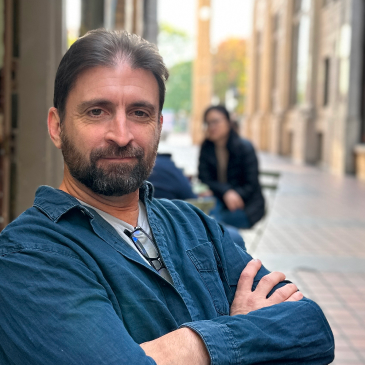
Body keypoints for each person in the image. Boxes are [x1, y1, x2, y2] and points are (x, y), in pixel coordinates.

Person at [0, 29, 334, 365]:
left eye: (139, 113)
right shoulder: (25, 255)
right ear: (57, 126)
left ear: (159, 125)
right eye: (97, 112)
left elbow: (313, 331)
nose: (121, 134)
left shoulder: (194, 225)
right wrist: (242, 330)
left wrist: (170, 351)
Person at [148, 153, 246, 250]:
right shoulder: (168, 168)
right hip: (171, 228)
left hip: (159, 226)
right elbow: (191, 197)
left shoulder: (146, 169)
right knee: (234, 236)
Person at [198, 105, 265, 229]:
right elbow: (204, 177)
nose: (211, 127)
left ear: (228, 122)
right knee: (206, 218)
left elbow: (251, 184)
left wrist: (234, 194)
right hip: (218, 201)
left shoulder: (245, 148)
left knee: (212, 223)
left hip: (247, 206)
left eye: (215, 121)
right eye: (207, 123)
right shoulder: (206, 148)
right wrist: (226, 192)